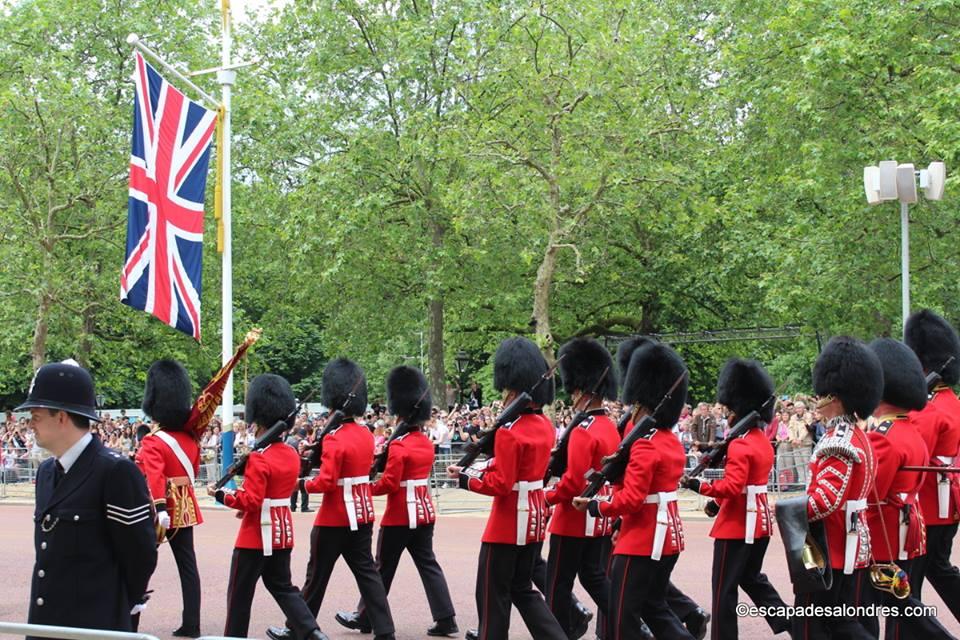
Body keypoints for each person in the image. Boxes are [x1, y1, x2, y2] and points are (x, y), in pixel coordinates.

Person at [19, 360, 157, 635]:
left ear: (61, 417)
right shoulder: (47, 472)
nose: (30, 424)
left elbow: (139, 555)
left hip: (94, 622)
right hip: (46, 622)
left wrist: (117, 606)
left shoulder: (116, 471)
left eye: (35, 416)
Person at [447, 336, 566, 640]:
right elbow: (512, 468)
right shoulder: (544, 426)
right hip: (535, 518)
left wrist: (463, 478)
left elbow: (501, 483)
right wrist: (477, 464)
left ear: (513, 390)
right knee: (523, 589)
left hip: (508, 521)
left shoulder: (510, 432)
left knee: (491, 594)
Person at [268, 359, 396, 640]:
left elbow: (326, 482)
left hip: (335, 516)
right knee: (368, 574)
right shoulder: (364, 434)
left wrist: (301, 483)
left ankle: (298, 628)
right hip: (362, 514)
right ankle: (385, 630)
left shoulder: (334, 438)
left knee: (316, 575)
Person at [336, 365, 458, 636]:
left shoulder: (399, 446)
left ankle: (365, 617)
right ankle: (446, 618)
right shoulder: (425, 443)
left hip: (400, 516)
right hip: (425, 513)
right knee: (429, 565)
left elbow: (390, 484)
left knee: (381, 568)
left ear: (399, 413)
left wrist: (366, 488)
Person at [209, 374, 327, 640]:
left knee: (239, 595)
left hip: (255, 536)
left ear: (257, 419)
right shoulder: (289, 453)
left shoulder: (259, 458)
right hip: (281, 532)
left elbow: (251, 501)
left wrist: (220, 494)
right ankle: (312, 632)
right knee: (283, 587)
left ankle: (234, 638)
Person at [680, 358, 789, 639]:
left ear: (738, 409)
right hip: (758, 523)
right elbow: (746, 486)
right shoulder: (760, 440)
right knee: (752, 580)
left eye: (729, 409)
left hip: (738, 526)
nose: (726, 414)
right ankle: (794, 624)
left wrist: (698, 485)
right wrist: (716, 503)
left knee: (724, 590)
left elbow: (731, 487)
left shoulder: (740, 444)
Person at [865, 338, 958, 639]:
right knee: (912, 586)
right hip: (928, 506)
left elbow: (883, 478)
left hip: (920, 509)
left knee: (900, 592)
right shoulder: (947, 403)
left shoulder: (923, 416)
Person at [790, 337, 880, 639]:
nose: (818, 400)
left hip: (827, 547)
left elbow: (825, 501)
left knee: (812, 623)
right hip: (852, 543)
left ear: (836, 396)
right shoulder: (856, 435)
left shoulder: (837, 441)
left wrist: (787, 510)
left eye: (823, 394)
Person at [543, 337, 620, 639]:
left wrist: (546, 497)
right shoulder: (609, 426)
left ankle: (557, 633)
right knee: (594, 576)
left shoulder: (584, 431)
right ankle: (634, 625)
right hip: (597, 517)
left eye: (573, 390)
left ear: (582, 391)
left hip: (573, 519)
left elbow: (573, 482)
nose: (571, 396)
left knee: (557, 584)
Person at [135, 360, 203, 637]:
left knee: (139, 565)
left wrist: (161, 506)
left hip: (158, 510)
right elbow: (195, 471)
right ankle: (192, 624)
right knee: (188, 566)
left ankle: (131, 623)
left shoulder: (153, 441)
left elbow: (154, 477)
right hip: (185, 507)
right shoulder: (190, 440)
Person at [905, 310, 960, 623]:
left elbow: (912, 456)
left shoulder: (930, 409)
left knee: (908, 583)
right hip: (942, 506)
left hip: (927, 507)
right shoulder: (950, 401)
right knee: (933, 571)